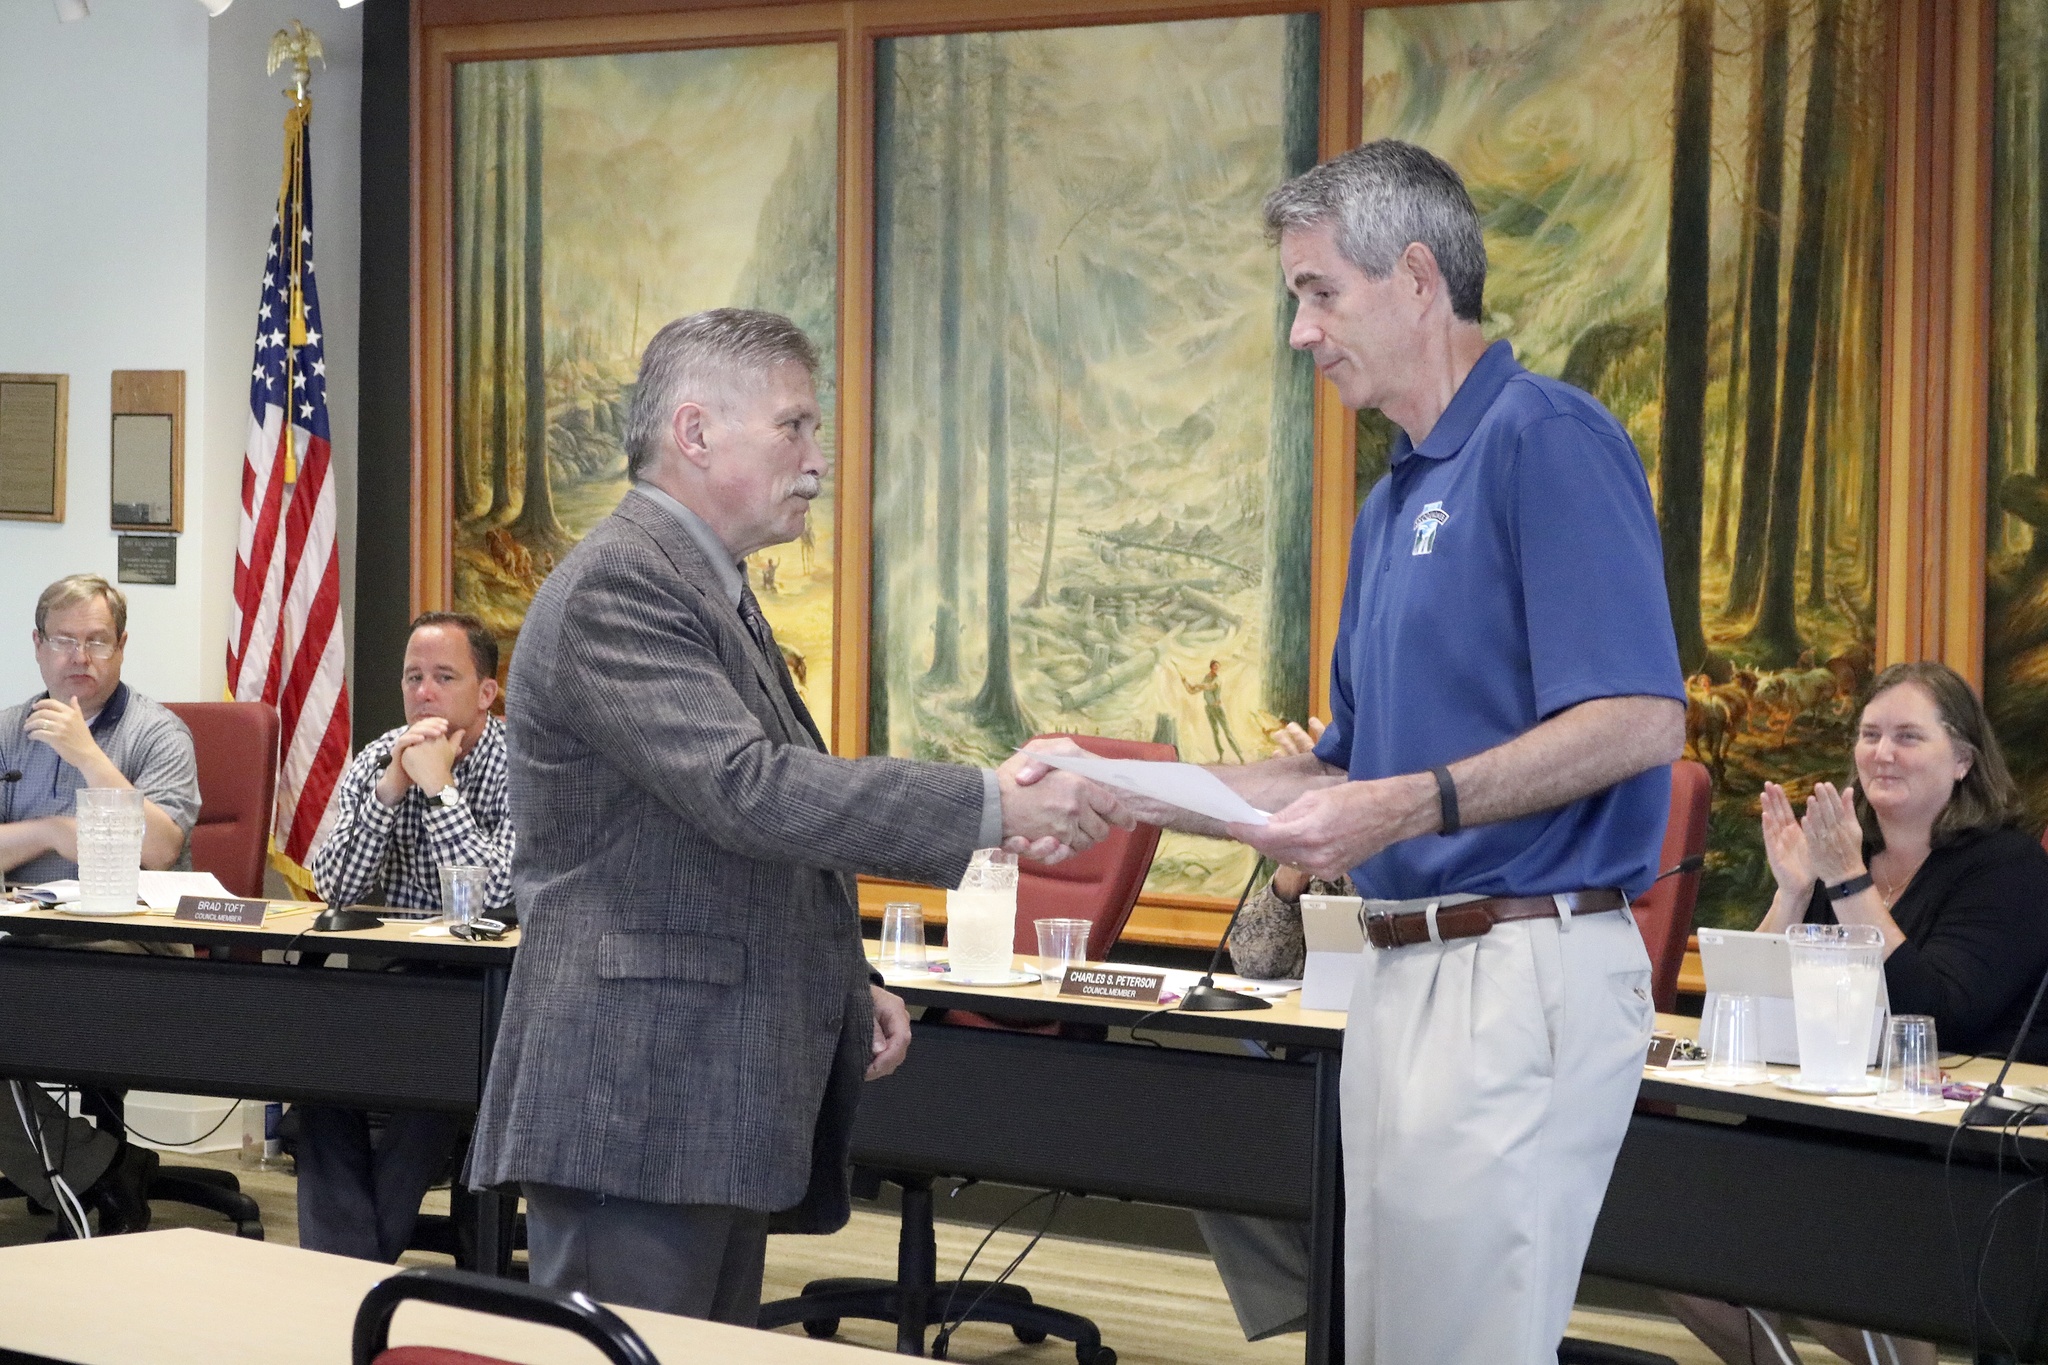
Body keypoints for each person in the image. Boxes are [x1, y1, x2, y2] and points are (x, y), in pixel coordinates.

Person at [1027, 140, 1688, 1362]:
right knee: (1382, 1342)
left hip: (1516, 967)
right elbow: (1331, 776)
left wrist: (1407, 807)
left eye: (1317, 292)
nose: (1300, 332)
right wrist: (1110, 786)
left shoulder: (1545, 439)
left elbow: (1639, 720)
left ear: (1418, 279)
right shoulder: (1391, 500)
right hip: (1395, 974)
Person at [467, 307, 1126, 1323]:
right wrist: (989, 802)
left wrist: (844, 981)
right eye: (795, 427)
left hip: (692, 1096)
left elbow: (714, 843)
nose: (818, 461)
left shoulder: (704, 586)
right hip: (634, 1100)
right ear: (695, 433)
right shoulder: (620, 585)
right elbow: (750, 791)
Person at [1667, 661, 2048, 1365]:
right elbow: (1741, 1008)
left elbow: (1939, 1015)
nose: (1881, 752)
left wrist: (1846, 882)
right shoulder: (1846, 853)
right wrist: (1792, 891)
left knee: (1812, 1245)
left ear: (1963, 760)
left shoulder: (2008, 865)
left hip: (1935, 1146)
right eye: (1870, 734)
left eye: (1908, 736)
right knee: (1658, 1219)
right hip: (1817, 1117)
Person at [296, 610, 514, 1262]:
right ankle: (349, 1258)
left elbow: (494, 899)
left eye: (444, 677)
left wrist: (440, 789)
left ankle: (344, 1265)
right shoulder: (377, 757)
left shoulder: (522, 765)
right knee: (310, 1054)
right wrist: (392, 786)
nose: (424, 692)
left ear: (486, 691)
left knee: (433, 1062)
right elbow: (334, 886)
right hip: (387, 974)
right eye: (413, 676)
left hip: (483, 984)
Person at [0, 574, 201, 1234]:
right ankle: (103, 1168)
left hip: (135, 944)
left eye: (97, 641)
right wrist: (49, 833)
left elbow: (161, 847)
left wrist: (88, 756)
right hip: (27, 938)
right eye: (64, 640)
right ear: (37, 645)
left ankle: (82, 1169)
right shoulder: (8, 731)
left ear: (122, 646)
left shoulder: (158, 733)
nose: (79, 657)